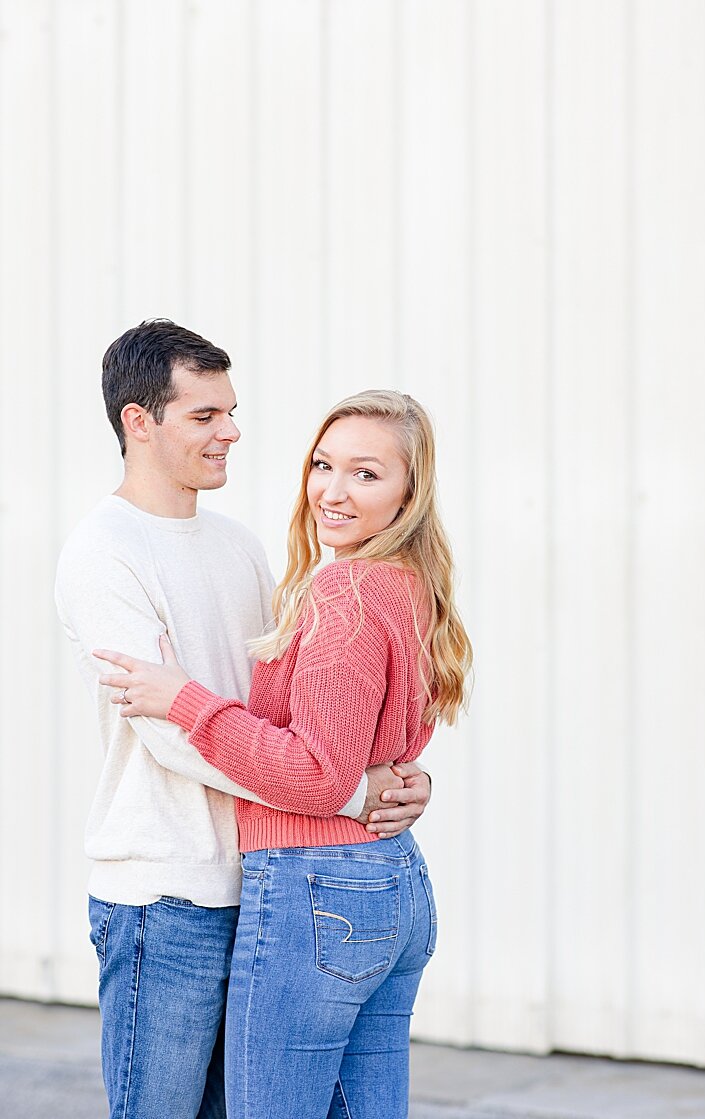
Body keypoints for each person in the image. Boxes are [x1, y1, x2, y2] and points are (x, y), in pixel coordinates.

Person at [55, 321, 432, 1119]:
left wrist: (388, 773)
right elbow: (169, 734)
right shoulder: (103, 554)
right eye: (204, 416)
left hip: (270, 885)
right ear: (138, 421)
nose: (230, 430)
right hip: (167, 897)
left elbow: (309, 714)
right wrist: (348, 790)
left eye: (231, 411)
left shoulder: (242, 546)